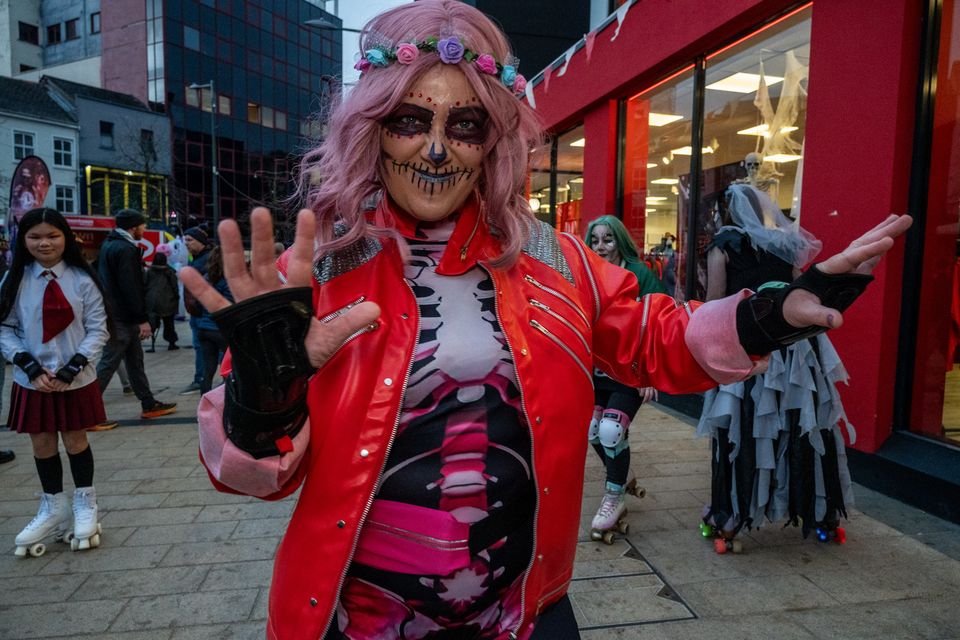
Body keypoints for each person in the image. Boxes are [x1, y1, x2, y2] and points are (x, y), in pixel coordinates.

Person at [179, 2, 911, 638]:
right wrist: (259, 401)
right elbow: (252, 477)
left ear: (492, 138)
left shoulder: (551, 258)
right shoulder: (321, 273)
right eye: (410, 120)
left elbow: (656, 338)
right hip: (356, 619)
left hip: (521, 617)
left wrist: (769, 314)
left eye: (464, 124)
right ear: (374, 129)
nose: (435, 149)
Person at [698, 183, 850, 552]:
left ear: (726, 212)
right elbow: (800, 294)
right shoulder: (784, 243)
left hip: (750, 345)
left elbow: (714, 305)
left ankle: (731, 515)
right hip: (798, 351)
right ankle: (822, 516)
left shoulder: (724, 246)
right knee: (804, 427)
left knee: (745, 429)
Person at [0, 208, 110, 555]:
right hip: (33, 379)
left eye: (52, 235)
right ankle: (51, 505)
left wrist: (72, 368)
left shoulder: (82, 278)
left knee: (75, 439)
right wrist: (29, 366)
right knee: (42, 442)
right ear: (24, 240)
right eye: (35, 237)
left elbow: (97, 328)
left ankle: (85, 503)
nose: (44, 243)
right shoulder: (15, 279)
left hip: (74, 377)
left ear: (66, 237)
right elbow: (5, 327)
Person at [583, 215, 663, 542]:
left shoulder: (640, 274)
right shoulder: (584, 276)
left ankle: (613, 499)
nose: (601, 247)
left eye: (608, 239)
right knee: (591, 430)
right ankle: (622, 475)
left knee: (611, 430)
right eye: (595, 240)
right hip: (596, 372)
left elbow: (659, 323)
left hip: (630, 372)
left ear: (620, 242)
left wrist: (650, 372)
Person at [94, 208, 176, 424]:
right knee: (109, 362)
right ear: (132, 227)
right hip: (124, 316)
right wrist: (142, 319)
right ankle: (87, 411)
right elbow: (131, 286)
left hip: (118, 313)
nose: (145, 229)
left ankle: (148, 403)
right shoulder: (126, 249)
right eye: (142, 225)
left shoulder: (109, 245)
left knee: (134, 361)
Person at [195, 246, 231, 393]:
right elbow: (230, 305)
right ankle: (226, 394)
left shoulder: (207, 278)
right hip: (220, 329)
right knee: (228, 365)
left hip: (204, 327)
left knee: (208, 369)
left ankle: (204, 397)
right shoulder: (227, 280)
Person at [180, 227, 211, 395]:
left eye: (190, 240)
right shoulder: (197, 259)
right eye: (185, 240)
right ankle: (201, 379)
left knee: (206, 348)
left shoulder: (205, 261)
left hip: (203, 313)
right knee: (202, 348)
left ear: (201, 241)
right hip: (197, 313)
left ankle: (201, 380)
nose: (186, 244)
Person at [144, 252, 180, 352]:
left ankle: (152, 345)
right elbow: (174, 287)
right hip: (168, 301)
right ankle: (171, 343)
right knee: (169, 324)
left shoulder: (149, 271)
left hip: (152, 302)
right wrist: (176, 298)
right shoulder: (169, 272)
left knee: (153, 324)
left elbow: (144, 285)